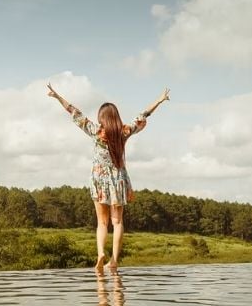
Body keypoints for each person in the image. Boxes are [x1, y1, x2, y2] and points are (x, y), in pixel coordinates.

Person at [47, 83, 170, 274]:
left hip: (99, 180)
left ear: (101, 118)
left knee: (102, 223)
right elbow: (143, 116)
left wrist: (57, 96)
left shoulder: (96, 131)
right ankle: (113, 260)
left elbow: (74, 111)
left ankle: (100, 254)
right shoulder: (124, 132)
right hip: (119, 180)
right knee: (118, 222)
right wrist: (159, 101)